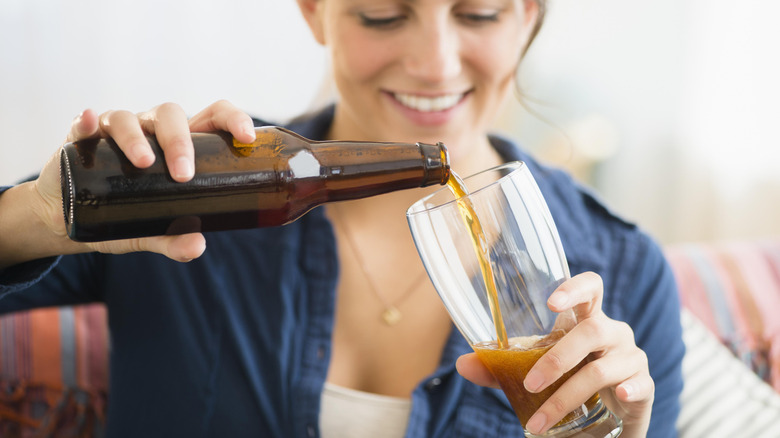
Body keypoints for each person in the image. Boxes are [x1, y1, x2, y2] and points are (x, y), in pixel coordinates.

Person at [0, 0, 684, 437]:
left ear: (528, 16)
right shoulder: (201, 187)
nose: (435, 61)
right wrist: (38, 214)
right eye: (384, 14)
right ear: (313, 12)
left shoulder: (623, 269)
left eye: (477, 13)